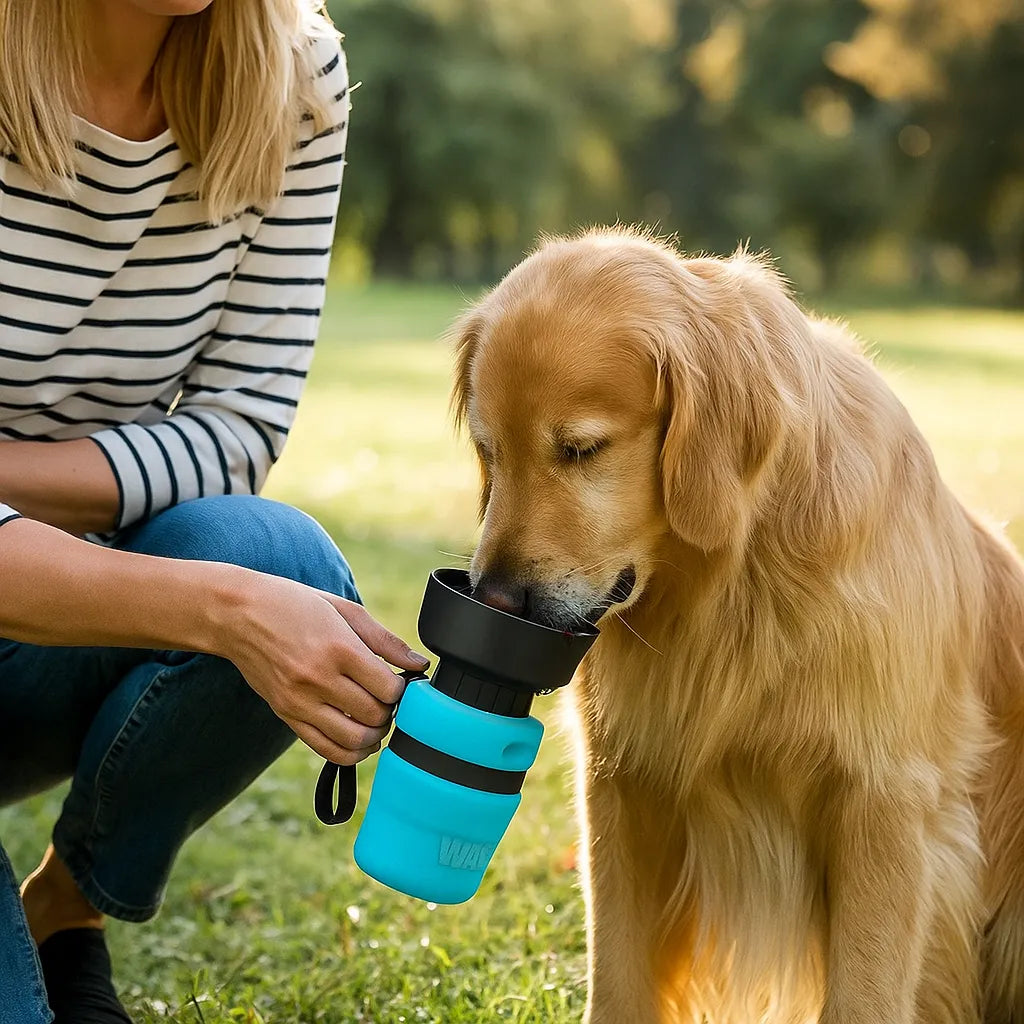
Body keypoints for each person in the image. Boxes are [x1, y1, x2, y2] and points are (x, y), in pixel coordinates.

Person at [0, 2, 429, 1021]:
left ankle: (69, 903)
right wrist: (219, 611)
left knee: (279, 563)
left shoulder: (295, 78)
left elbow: (237, 430)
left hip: (50, 621)